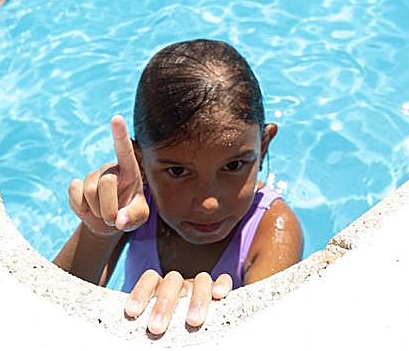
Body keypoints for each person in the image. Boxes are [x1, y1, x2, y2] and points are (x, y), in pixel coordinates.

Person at [54, 39, 303, 337]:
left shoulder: (272, 229)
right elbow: (52, 307)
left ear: (263, 148)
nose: (209, 203)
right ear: (140, 162)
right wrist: (99, 229)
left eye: (234, 166)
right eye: (177, 171)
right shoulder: (135, 207)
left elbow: (271, 335)